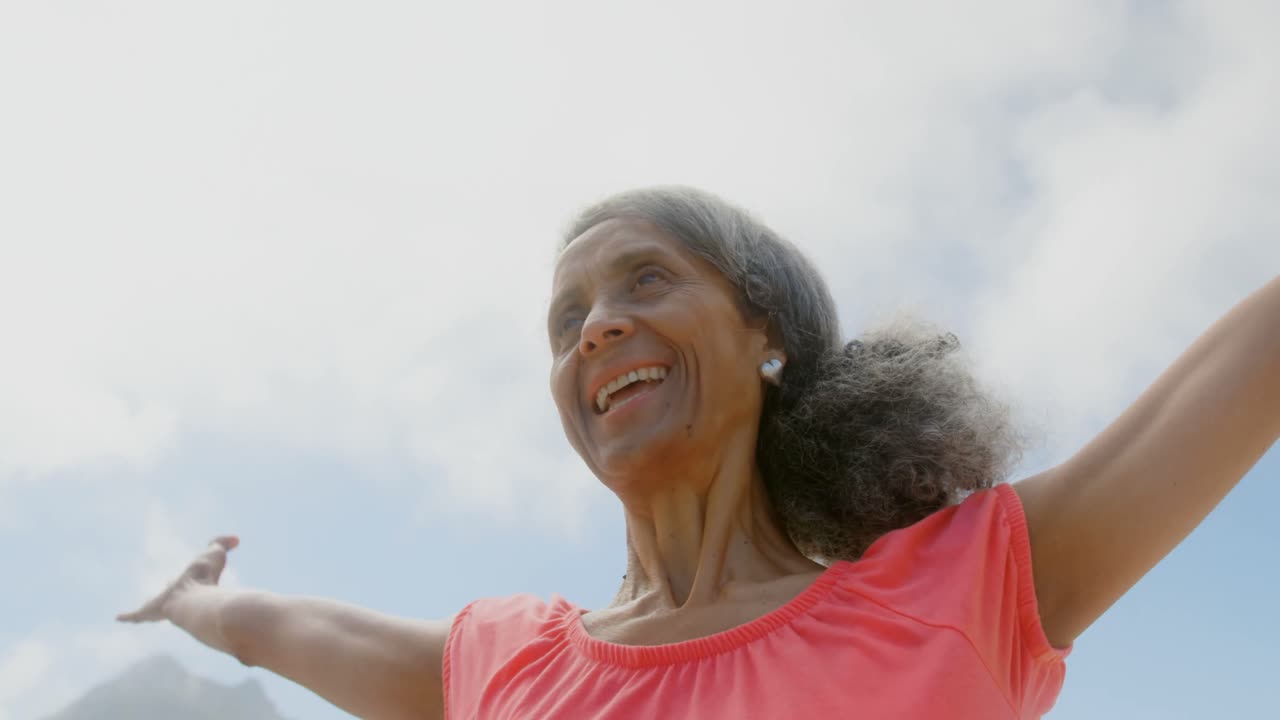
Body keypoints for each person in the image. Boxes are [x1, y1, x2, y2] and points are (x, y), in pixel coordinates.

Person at [119, 187, 1279, 719]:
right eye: (565, 318)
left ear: (764, 332)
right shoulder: (508, 669)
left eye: (645, 280)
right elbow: (287, 634)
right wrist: (195, 605)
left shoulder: (962, 590)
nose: (596, 326)